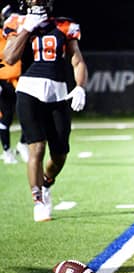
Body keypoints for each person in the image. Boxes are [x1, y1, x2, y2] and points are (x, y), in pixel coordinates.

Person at [3, 0, 88, 222]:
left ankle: (46, 182)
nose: (37, 1)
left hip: (58, 92)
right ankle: (38, 199)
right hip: (28, 89)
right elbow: (9, 57)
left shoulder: (64, 25)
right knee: (37, 148)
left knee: (60, 153)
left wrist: (79, 86)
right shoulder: (17, 22)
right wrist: (27, 29)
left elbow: (77, 60)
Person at [0, 4, 28, 164]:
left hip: (18, 79)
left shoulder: (18, 32)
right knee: (5, 118)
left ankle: (23, 144)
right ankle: (7, 151)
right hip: (3, 81)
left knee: (29, 114)